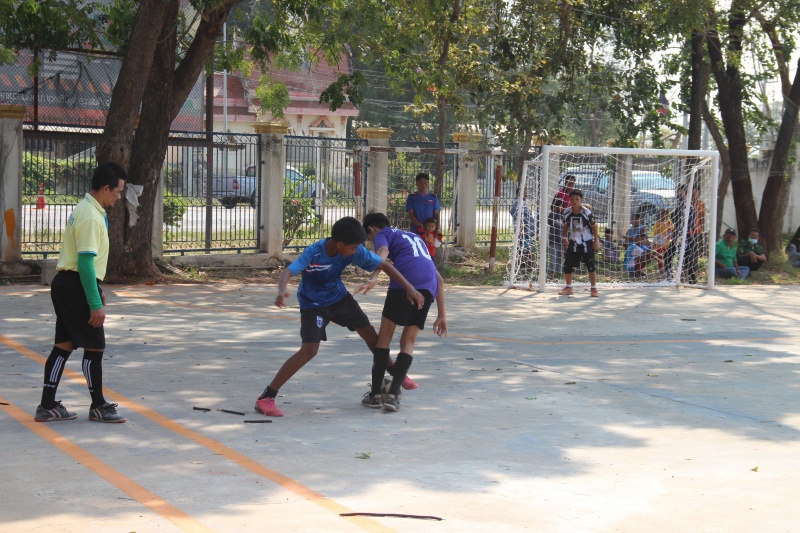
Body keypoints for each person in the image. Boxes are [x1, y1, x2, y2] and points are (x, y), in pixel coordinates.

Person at [254, 216, 425, 417]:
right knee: (309, 350)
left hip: (339, 298)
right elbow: (288, 272)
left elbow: (385, 266)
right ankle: (266, 397)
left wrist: (409, 287)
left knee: (369, 333)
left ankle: (396, 373)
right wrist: (281, 291)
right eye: (353, 248)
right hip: (313, 304)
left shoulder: (354, 249)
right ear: (340, 244)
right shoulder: (314, 252)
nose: (356, 251)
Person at [34, 162, 128, 423]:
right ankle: (98, 406)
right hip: (75, 284)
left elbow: (87, 264)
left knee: (63, 345)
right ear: (106, 188)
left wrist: (96, 289)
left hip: (68, 283)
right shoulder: (89, 216)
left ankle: (47, 406)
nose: (119, 197)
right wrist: (94, 302)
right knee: (95, 346)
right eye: (118, 191)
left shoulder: (88, 209)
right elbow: (85, 262)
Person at [355, 212, 447, 411]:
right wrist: (442, 315)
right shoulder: (415, 237)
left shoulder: (383, 234)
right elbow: (439, 279)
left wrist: (374, 277)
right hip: (429, 285)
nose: (372, 241)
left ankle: (375, 395)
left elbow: (383, 252)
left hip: (405, 283)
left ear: (371, 229)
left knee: (385, 336)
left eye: (369, 237)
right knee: (408, 340)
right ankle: (393, 396)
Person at [558, 189, 600, 297]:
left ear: (581, 200)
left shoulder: (586, 212)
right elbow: (566, 225)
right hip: (573, 242)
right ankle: (568, 287)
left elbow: (595, 226)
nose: (574, 201)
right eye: (572, 199)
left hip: (586, 242)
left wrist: (595, 241)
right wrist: (564, 237)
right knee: (567, 265)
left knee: (590, 265)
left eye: (577, 199)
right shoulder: (567, 212)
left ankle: (594, 288)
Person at [549, 174, 576, 273]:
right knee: (561, 248)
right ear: (565, 183)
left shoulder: (575, 195)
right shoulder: (559, 194)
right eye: (569, 183)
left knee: (571, 246)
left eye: (573, 184)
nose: (571, 185)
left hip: (572, 223)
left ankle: (569, 266)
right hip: (562, 224)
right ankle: (555, 269)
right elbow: (553, 207)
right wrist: (561, 213)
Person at [511, 186, 537, 252]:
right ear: (520, 193)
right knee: (524, 251)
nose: (526, 194)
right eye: (525, 192)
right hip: (523, 232)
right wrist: (521, 224)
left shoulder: (522, 202)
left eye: (526, 192)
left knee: (528, 251)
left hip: (527, 232)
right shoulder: (518, 202)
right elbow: (513, 211)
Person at [652, 208, 673, 273]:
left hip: (667, 242)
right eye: (661, 214)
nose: (662, 215)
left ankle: (668, 267)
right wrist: (654, 242)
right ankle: (661, 268)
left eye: (664, 214)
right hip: (659, 242)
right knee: (659, 255)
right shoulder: (657, 223)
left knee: (667, 255)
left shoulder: (669, 222)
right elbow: (655, 233)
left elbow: (671, 231)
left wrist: (668, 238)